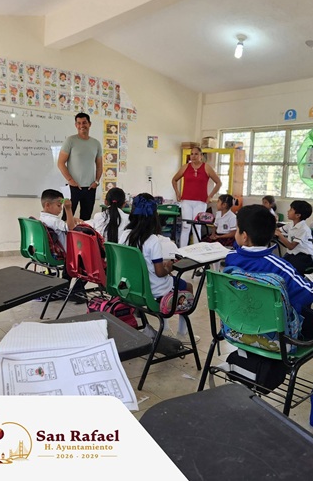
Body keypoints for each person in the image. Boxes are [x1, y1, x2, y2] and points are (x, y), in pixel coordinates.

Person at [225, 204, 313, 340]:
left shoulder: (231, 258)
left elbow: (239, 248)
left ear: (244, 236)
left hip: (239, 323)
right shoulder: (279, 267)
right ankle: (291, 347)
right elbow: (309, 293)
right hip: (274, 329)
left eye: (237, 229)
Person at [119, 193, 197, 342]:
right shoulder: (152, 239)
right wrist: (170, 266)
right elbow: (160, 272)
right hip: (154, 289)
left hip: (133, 288)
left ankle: (165, 328)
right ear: (155, 215)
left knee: (171, 279)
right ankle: (182, 332)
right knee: (188, 286)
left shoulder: (125, 235)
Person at [39, 189, 85, 303]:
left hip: (50, 252)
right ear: (47, 205)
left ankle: (65, 289)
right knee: (85, 261)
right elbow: (71, 228)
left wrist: (71, 219)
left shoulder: (44, 218)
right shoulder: (53, 220)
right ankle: (75, 291)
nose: (60, 209)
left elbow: (64, 224)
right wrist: (68, 209)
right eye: (59, 206)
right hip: (64, 253)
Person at [172, 146, 222, 248]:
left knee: (197, 227)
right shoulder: (185, 167)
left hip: (201, 202)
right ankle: (182, 251)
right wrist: (177, 192)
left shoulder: (206, 167)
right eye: (192, 154)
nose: (193, 156)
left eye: (196, 154)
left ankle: (196, 250)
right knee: (186, 226)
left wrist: (210, 196)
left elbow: (218, 183)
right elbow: (174, 180)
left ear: (201, 156)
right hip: (186, 201)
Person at [57, 112, 103, 221]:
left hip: (90, 188)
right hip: (73, 187)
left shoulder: (96, 143)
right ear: (76, 125)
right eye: (79, 123)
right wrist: (70, 180)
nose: (82, 125)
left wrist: (96, 182)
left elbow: (99, 166)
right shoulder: (70, 141)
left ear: (89, 124)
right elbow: (60, 163)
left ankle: (82, 233)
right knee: (66, 218)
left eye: (84, 122)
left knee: (86, 219)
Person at [275, 200, 313, 275]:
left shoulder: (304, 229)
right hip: (292, 254)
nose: (288, 211)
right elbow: (277, 230)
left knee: (290, 272)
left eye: (291, 210)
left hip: (303, 256)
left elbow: (291, 246)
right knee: (278, 268)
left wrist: (280, 235)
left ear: (298, 215)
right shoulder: (291, 224)